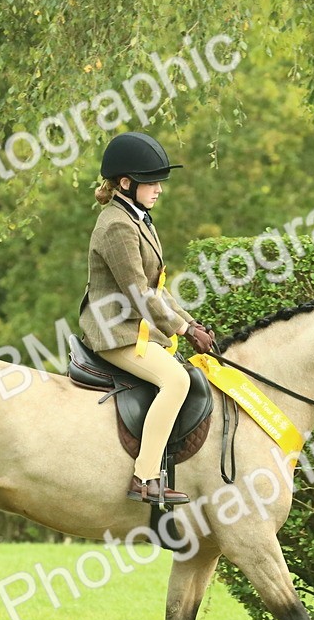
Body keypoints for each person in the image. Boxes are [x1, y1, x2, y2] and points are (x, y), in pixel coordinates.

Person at [79, 132, 215, 505]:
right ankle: (144, 477)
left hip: (134, 326)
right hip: (114, 330)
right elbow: (138, 291)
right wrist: (182, 328)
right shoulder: (117, 225)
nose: (158, 190)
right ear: (126, 183)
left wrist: (190, 324)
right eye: (152, 182)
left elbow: (158, 288)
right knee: (174, 381)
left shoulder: (137, 217)